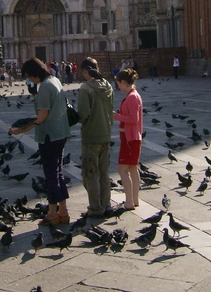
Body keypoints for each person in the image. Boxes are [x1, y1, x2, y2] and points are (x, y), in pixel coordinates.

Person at [10, 58, 70, 226]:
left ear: (35, 73)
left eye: (29, 76)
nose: (29, 80)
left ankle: (52, 214)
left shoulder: (44, 87)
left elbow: (42, 116)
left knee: (51, 176)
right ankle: (63, 212)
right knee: (58, 173)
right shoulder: (55, 80)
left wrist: (23, 129)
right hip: (61, 133)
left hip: (49, 136)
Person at [77, 57, 114, 217]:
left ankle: (95, 208)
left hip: (91, 135)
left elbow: (83, 114)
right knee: (104, 172)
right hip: (106, 134)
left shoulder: (86, 88)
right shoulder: (108, 86)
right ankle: (106, 205)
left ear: (85, 71)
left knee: (91, 173)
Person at [114, 68, 143, 209]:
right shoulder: (133, 95)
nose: (118, 86)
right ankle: (134, 200)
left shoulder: (132, 97)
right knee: (132, 168)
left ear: (124, 82)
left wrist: (116, 116)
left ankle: (129, 202)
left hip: (130, 139)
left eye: (118, 83)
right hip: (132, 138)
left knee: (122, 169)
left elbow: (133, 118)